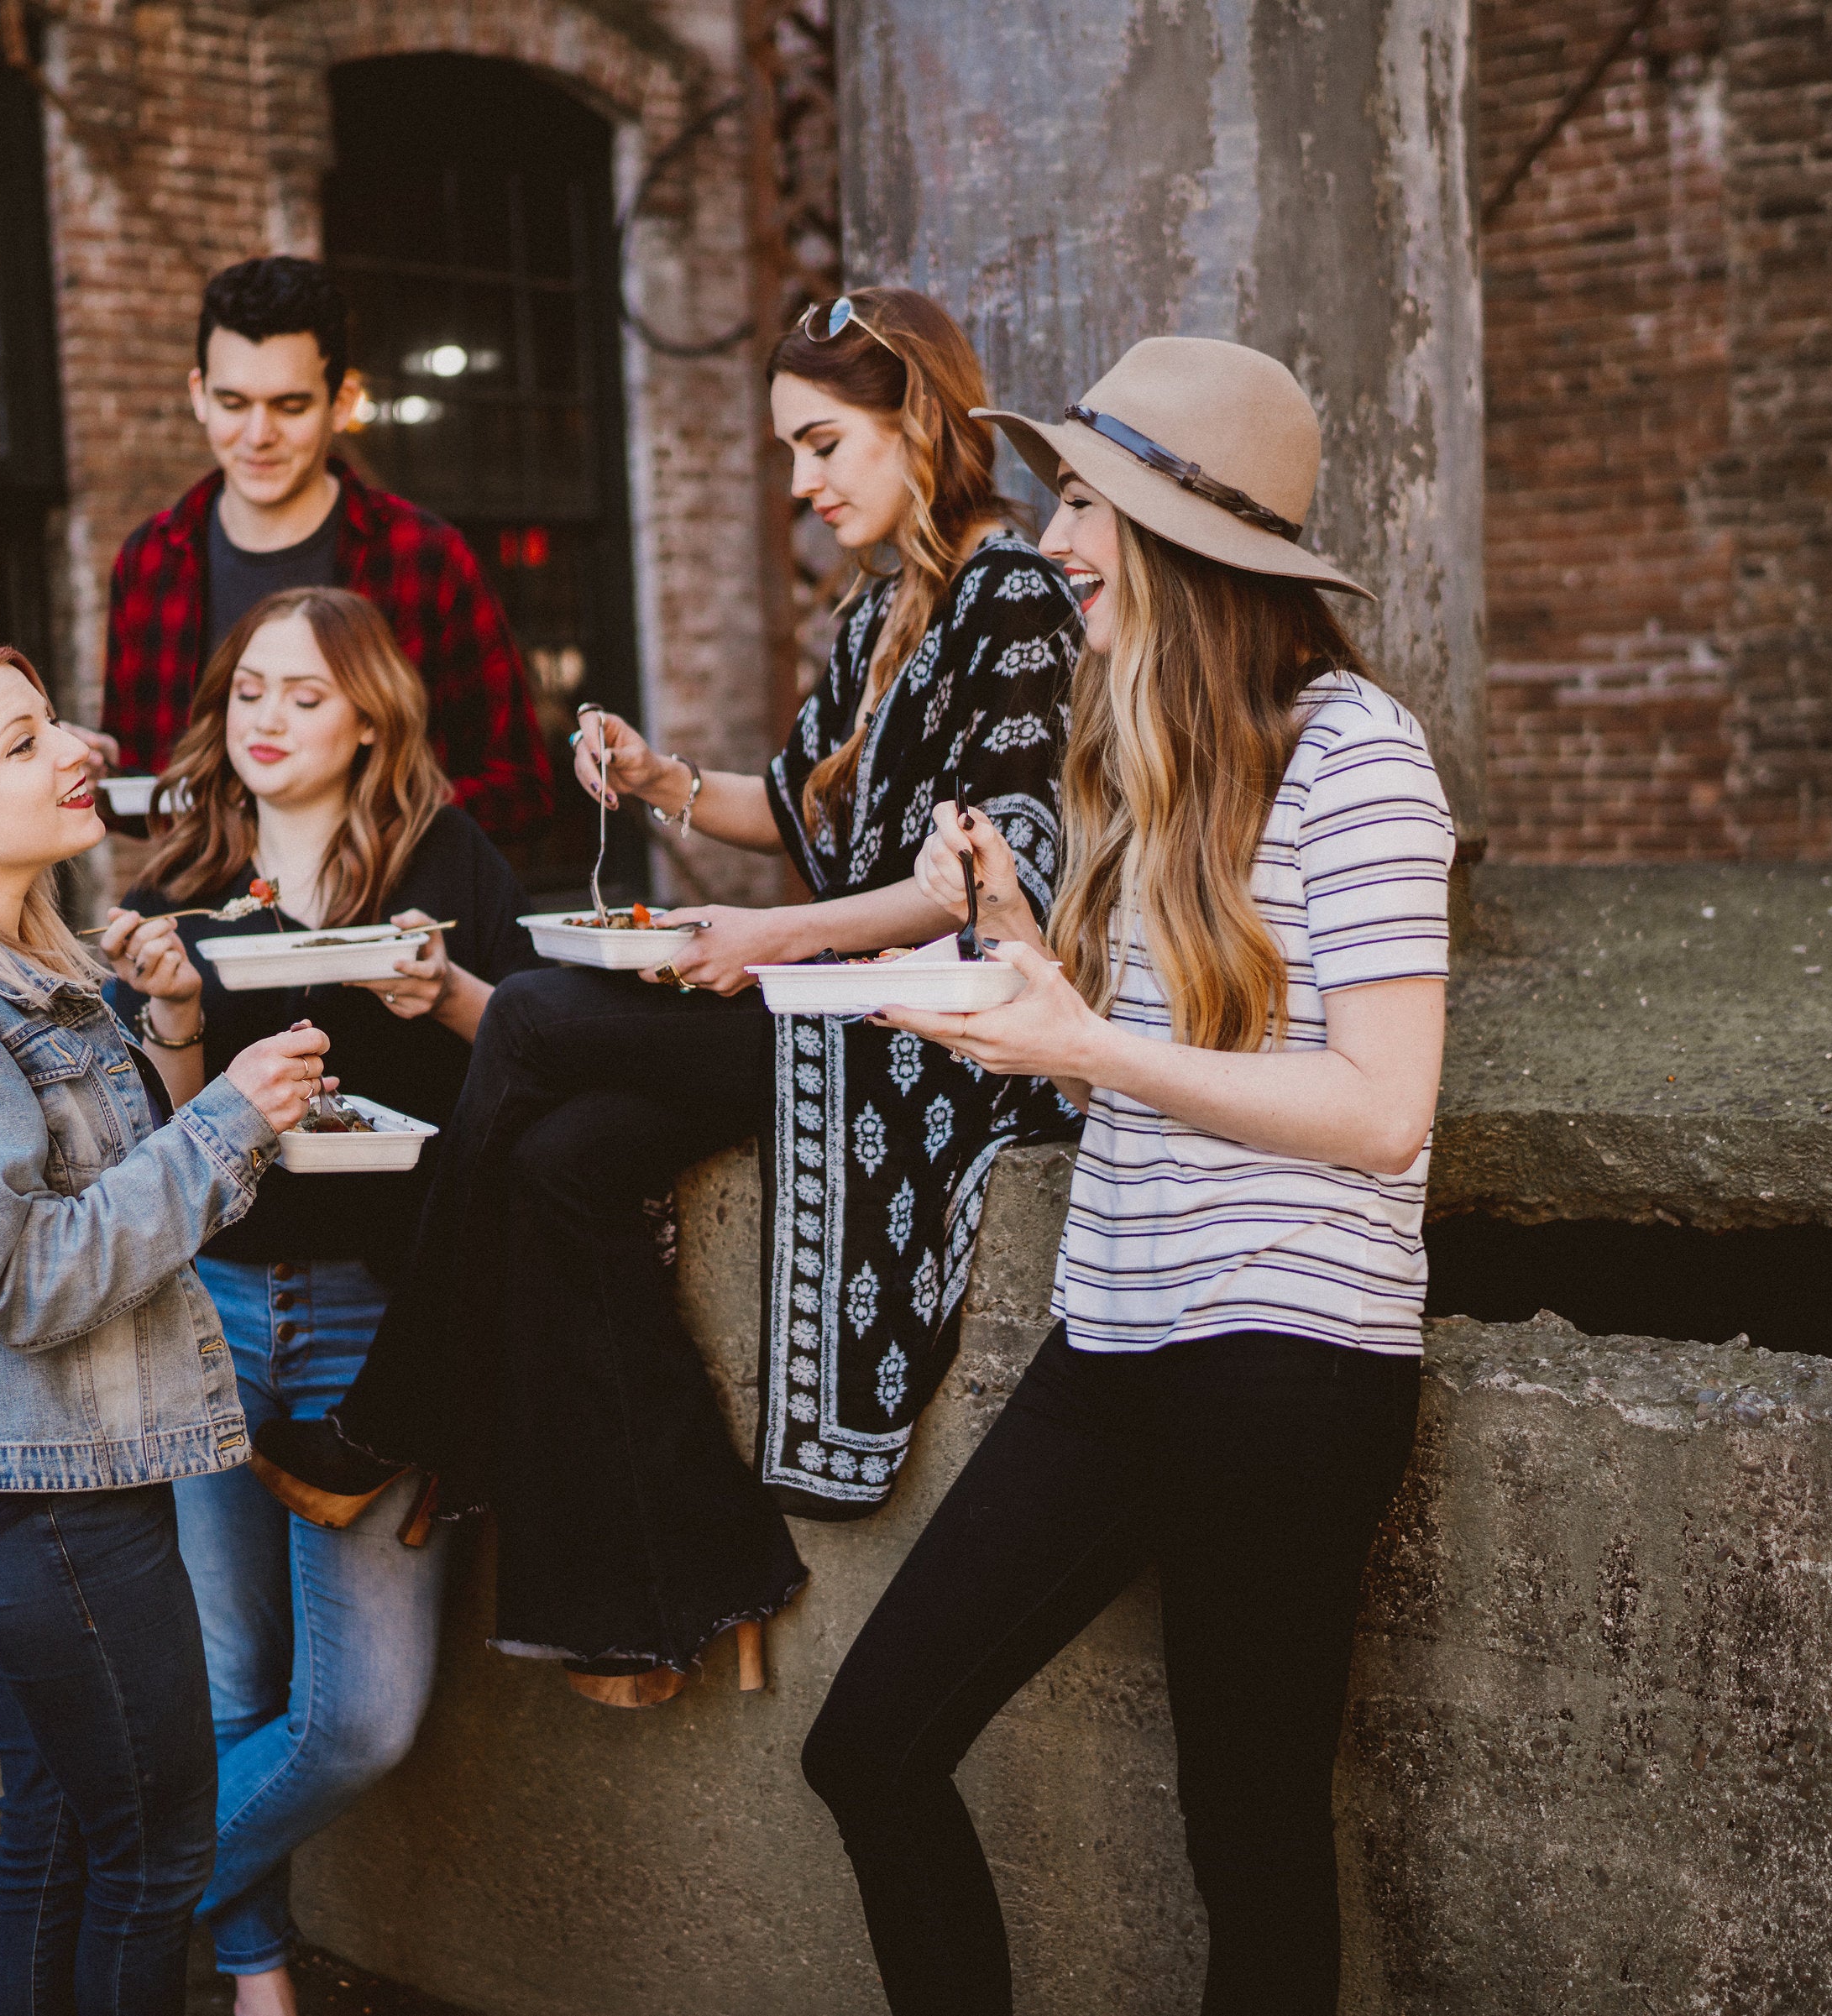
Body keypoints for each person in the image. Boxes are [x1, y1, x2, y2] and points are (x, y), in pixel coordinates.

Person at [251, 286, 1086, 1704]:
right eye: (790, 453)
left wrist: (771, 939)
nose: (804, 483)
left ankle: (397, 1410)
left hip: (929, 1035)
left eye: (824, 445)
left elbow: (991, 865)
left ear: (922, 424)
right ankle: (682, 1575)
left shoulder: (1017, 595)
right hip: (826, 997)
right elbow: (800, 799)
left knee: (523, 1015)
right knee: (565, 1164)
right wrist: (660, 783)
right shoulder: (883, 603)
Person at [795, 339, 1456, 2016]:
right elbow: (1141, 1047)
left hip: (1293, 1361)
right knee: (870, 1748)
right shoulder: (1138, 753)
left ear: (1179, 533)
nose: (1054, 530)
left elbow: (1383, 1111)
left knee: (1247, 1843)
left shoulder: (1359, 757)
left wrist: (1087, 1052)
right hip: (1121, 1340)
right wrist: (1018, 959)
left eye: (1088, 496)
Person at [0, 641, 337, 2016]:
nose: (76, 752)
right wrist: (234, 1120)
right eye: (25, 741)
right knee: (154, 1853)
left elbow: (115, 1186)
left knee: (59, 1832)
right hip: (29, 1498)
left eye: (58, 725)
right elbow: (34, 1275)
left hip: (67, 1473)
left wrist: (168, 1026)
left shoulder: (24, 965)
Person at [94, 587, 542, 2011]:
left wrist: (449, 992)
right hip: (210, 1307)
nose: (269, 720)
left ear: (368, 715)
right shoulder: (176, 887)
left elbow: (534, 1057)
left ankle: (105, 1899)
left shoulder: (444, 861)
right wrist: (170, 1015)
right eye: (248, 694)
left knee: (358, 1717)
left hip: (378, 1314)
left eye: (304, 694)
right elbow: (156, 1145)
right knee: (236, 1685)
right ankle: (257, 1970)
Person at [102, 254, 553, 841]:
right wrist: (98, 778)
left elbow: (522, 790)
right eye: (234, 403)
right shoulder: (150, 563)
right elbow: (141, 799)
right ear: (200, 395)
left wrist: (363, 817)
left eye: (290, 406)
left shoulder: (425, 557)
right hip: (207, 926)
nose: (258, 435)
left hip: (385, 924)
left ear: (341, 401)